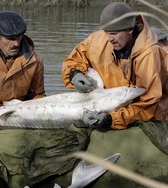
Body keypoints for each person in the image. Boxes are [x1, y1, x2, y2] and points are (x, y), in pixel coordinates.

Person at [62, 2, 168, 130]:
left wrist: (111, 120)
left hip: (147, 117)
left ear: (130, 29)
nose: (109, 39)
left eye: (113, 33)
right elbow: (74, 59)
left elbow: (147, 105)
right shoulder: (99, 39)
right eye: (106, 32)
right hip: (109, 108)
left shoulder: (149, 53)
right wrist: (75, 74)